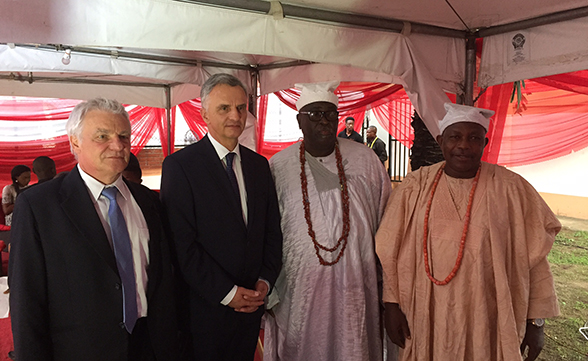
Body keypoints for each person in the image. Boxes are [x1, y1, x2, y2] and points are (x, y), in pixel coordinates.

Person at [375, 102, 560, 361]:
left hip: (488, 317)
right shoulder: (415, 186)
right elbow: (389, 248)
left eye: (474, 138)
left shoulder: (510, 188)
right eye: (455, 137)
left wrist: (536, 321)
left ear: (484, 143)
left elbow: (534, 258)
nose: (463, 145)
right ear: (441, 141)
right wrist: (391, 304)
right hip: (425, 316)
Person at [9, 98, 178, 361]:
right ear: (74, 142)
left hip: (150, 346)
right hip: (81, 350)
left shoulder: (147, 200)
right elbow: (26, 301)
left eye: (124, 135)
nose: (118, 145)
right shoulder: (39, 205)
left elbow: (162, 279)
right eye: (103, 136)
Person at [265, 81, 392, 361]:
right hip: (300, 292)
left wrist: (390, 289)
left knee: (354, 346)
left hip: (357, 286)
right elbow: (266, 233)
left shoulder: (367, 160)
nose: (323, 120)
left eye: (330, 114)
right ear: (300, 120)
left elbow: (388, 225)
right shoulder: (279, 166)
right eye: (314, 114)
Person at [160, 73, 283, 361]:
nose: (235, 115)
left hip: (251, 306)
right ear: (203, 113)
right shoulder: (181, 167)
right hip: (205, 311)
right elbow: (182, 245)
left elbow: (271, 232)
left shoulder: (258, 166)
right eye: (224, 108)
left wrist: (264, 281)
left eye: (241, 107)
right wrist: (228, 293)